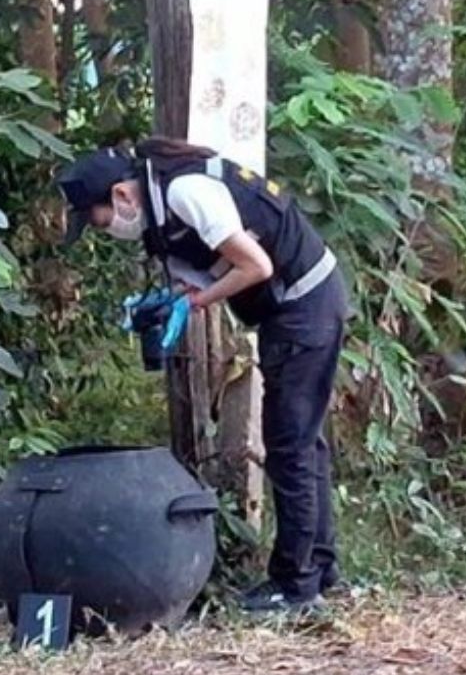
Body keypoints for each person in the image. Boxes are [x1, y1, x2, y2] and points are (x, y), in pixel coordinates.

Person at [57, 136, 349, 613]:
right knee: (302, 442)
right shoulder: (159, 212)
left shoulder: (183, 192)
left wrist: (195, 302)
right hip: (296, 307)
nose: (103, 229)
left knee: (290, 445)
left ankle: (296, 587)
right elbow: (204, 267)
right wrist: (171, 299)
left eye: (99, 219)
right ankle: (319, 567)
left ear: (121, 196)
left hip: (305, 304)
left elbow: (256, 266)